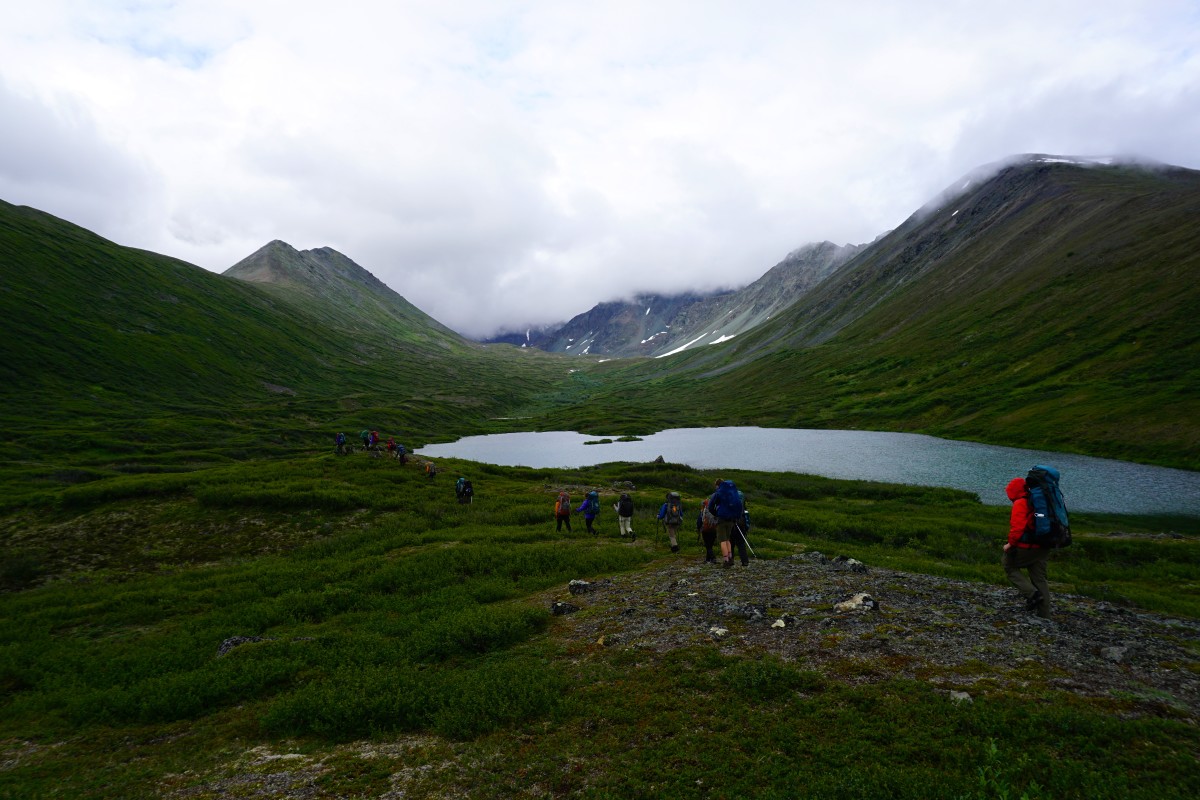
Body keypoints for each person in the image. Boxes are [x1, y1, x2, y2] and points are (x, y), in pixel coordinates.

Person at [1003, 476, 1052, 618]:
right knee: (1039, 579)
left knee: (1008, 565)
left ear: (1013, 491)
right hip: (1044, 545)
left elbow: (1017, 529)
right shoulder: (1038, 500)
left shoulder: (1020, 503)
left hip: (1027, 546)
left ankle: (1032, 594)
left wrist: (1010, 544)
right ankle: (1044, 615)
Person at [708, 478, 745, 568]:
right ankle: (730, 558)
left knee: (722, 540)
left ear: (717, 485)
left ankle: (726, 561)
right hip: (732, 519)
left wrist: (716, 514)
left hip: (722, 519)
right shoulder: (732, 492)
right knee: (728, 539)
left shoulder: (718, 493)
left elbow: (710, 506)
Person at [696, 497, 717, 563]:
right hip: (714, 529)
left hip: (705, 529)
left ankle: (713, 558)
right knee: (710, 544)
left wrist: (698, 527)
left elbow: (699, 520)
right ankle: (708, 559)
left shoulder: (703, 511)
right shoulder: (715, 510)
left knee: (707, 545)